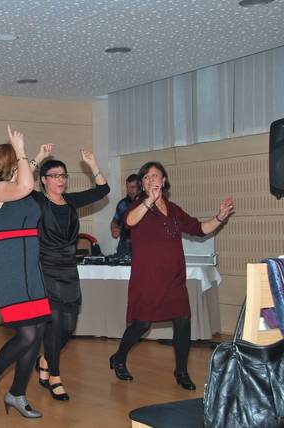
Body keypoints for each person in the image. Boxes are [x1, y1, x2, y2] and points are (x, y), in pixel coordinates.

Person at [109, 161, 234, 390]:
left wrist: (219, 217)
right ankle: (119, 357)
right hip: (148, 278)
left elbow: (198, 229)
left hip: (174, 277)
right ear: (143, 184)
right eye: (146, 177)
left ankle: (181, 372)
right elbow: (129, 222)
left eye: (155, 175)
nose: (151, 179)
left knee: (183, 321)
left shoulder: (174, 209)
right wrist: (149, 200)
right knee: (142, 323)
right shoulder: (137, 206)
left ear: (164, 180)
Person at [0, 126, 51, 419]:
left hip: (30, 269)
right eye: (18, 159)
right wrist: (21, 149)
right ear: (10, 162)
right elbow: (25, 185)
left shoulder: (17, 186)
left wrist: (37, 156)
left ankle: (17, 393)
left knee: (38, 332)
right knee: (26, 334)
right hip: (7, 269)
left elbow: (25, 179)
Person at [31, 151, 110, 401]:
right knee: (54, 326)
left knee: (68, 327)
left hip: (69, 270)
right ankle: (55, 376)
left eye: (63, 175)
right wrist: (37, 157)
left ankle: (45, 359)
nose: (60, 179)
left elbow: (103, 190)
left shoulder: (71, 202)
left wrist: (93, 164)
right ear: (43, 180)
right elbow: (17, 183)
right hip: (46, 269)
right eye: (54, 175)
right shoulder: (37, 200)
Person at [110, 174, 140, 258]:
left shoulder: (146, 203)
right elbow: (114, 221)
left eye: (133, 187)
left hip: (142, 244)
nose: (129, 190)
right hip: (124, 244)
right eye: (127, 187)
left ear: (140, 187)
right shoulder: (122, 203)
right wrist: (114, 229)